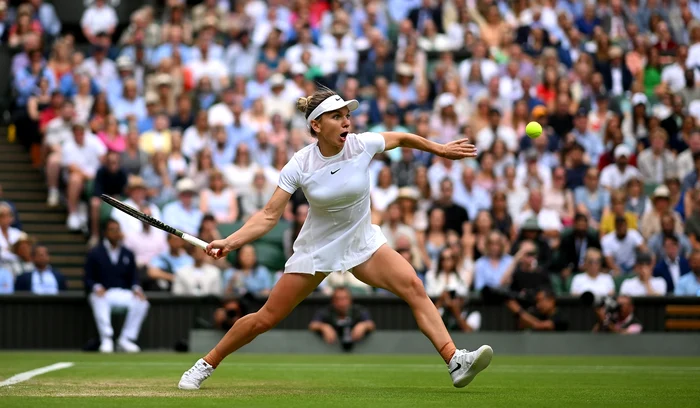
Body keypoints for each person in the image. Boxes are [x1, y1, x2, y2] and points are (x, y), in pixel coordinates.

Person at [179, 88, 492, 390]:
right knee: (265, 319)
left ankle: (455, 360)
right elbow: (268, 215)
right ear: (316, 125)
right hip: (317, 250)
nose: (346, 122)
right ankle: (206, 363)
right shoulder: (300, 164)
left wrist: (440, 149)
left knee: (414, 286)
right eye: (336, 116)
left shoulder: (361, 144)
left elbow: (401, 137)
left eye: (347, 115)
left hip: (362, 242)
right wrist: (230, 242)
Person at [308, 286, 375, 351]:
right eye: (338, 299)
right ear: (333, 301)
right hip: (330, 350)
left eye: (344, 298)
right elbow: (312, 325)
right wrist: (323, 327)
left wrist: (363, 325)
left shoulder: (359, 311)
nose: (341, 303)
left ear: (350, 300)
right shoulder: (325, 311)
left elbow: (371, 324)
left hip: (359, 351)